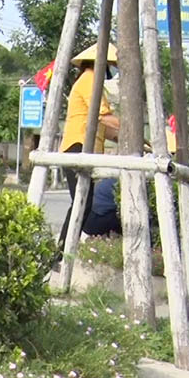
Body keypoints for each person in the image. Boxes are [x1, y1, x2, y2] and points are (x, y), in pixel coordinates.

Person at [58, 42, 121, 252]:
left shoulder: (92, 81)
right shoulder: (89, 79)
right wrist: (130, 127)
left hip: (86, 149)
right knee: (81, 202)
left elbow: (108, 129)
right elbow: (105, 118)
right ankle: (61, 252)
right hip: (77, 147)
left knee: (83, 202)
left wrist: (132, 140)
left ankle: (66, 251)